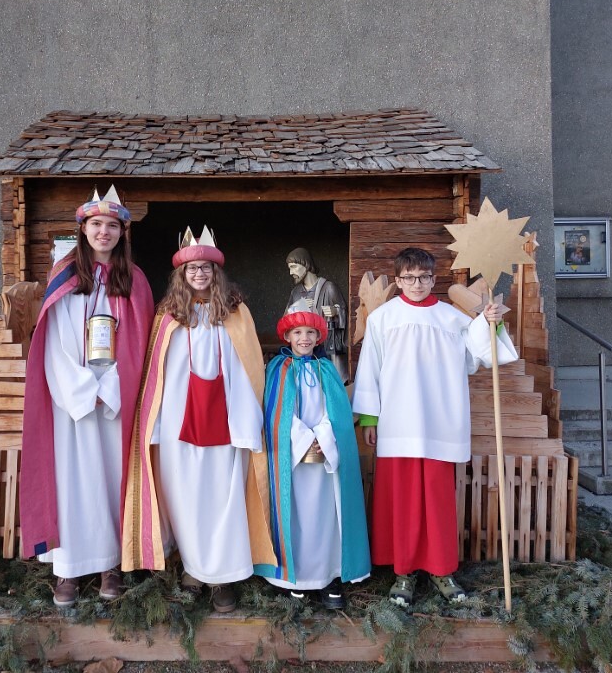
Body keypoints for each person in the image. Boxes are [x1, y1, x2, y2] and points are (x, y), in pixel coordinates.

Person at [121, 226, 276, 614]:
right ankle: (192, 570)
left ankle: (223, 576)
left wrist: (248, 421)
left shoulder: (236, 313)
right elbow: (157, 376)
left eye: (206, 267)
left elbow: (248, 368)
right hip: (178, 425)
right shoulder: (167, 316)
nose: (200, 273)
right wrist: (155, 425)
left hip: (227, 422)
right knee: (186, 496)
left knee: (223, 497)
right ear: (182, 274)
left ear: (216, 271)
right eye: (192, 269)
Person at [352, 247, 518, 607]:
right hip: (397, 422)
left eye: (424, 277)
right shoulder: (383, 318)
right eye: (409, 277)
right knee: (403, 502)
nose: (417, 284)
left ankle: (442, 570)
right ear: (398, 281)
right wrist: (369, 417)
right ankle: (404, 571)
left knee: (438, 501)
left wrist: (491, 322)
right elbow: (370, 368)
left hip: (439, 422)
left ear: (434, 279)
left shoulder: (451, 318)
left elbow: (479, 354)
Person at [19, 186, 154, 607]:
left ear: (121, 232)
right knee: (72, 483)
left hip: (116, 400)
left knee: (113, 479)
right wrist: (82, 391)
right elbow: (54, 341)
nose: (103, 232)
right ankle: (69, 569)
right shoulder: (64, 275)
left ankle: (111, 564)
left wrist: (110, 389)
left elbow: (142, 344)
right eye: (96, 224)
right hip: (72, 403)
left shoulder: (134, 280)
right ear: (83, 228)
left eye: (112, 226)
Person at [254, 305, 370, 609]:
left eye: (310, 332)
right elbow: (277, 413)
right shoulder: (277, 369)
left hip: (324, 459)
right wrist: (304, 439)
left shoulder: (327, 369)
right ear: (287, 336)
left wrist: (322, 438)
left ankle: (328, 575)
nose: (304, 338)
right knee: (295, 517)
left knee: (326, 516)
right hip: (293, 460)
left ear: (319, 337)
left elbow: (337, 411)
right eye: (298, 332)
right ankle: (297, 578)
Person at [284, 248, 350, 383]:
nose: (291, 272)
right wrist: (297, 306)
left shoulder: (328, 288)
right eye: (290, 268)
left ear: (306, 264)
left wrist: (336, 311)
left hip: (327, 348)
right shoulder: (296, 292)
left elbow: (345, 312)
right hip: (304, 348)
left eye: (294, 267)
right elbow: (285, 320)